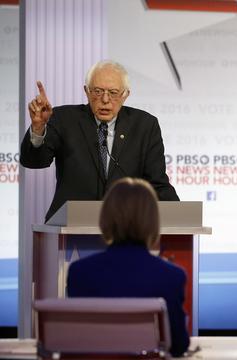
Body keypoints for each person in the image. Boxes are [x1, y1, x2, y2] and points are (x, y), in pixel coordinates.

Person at [20, 60, 178, 221]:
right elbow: (34, 161)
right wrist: (38, 128)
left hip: (126, 227)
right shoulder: (64, 119)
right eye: (97, 91)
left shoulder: (145, 125)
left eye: (113, 92)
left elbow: (157, 183)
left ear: (125, 95)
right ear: (87, 91)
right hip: (71, 227)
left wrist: (179, 218)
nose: (105, 99)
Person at [66, 177, 189, 357]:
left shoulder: (79, 273)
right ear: (153, 221)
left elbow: (77, 341)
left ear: (105, 218)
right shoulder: (172, 276)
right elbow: (178, 346)